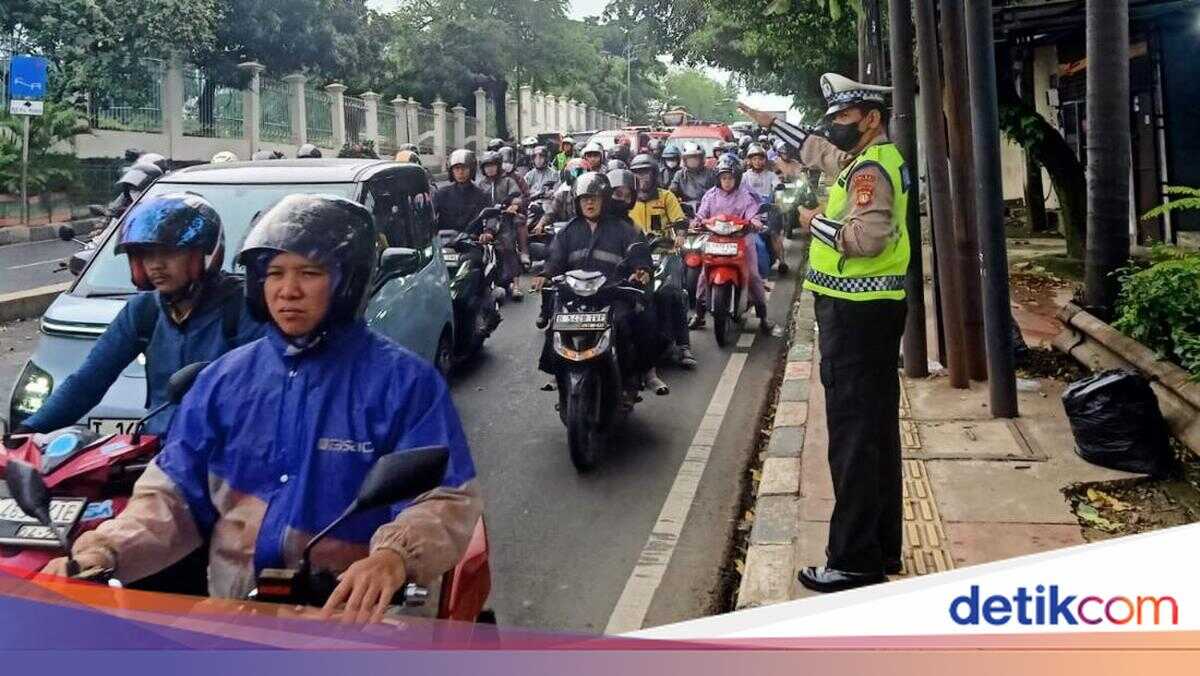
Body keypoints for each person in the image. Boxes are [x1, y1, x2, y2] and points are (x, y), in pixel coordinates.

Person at [44, 195, 482, 624]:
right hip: (235, 618)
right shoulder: (223, 381)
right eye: (274, 273)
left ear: (347, 281)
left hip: (353, 618)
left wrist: (393, 555)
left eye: (309, 273)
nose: (288, 291)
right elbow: (172, 496)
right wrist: (105, 549)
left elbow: (444, 497)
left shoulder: (404, 384)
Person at [740, 73, 910, 593]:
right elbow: (817, 152)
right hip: (872, 315)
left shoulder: (870, 172)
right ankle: (882, 546)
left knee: (854, 439)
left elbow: (867, 237)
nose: (834, 127)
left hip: (857, 317)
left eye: (842, 118)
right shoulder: (869, 159)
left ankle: (855, 560)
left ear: (871, 119)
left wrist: (814, 221)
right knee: (876, 433)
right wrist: (775, 124)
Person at [15, 195, 265, 436]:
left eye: (169, 253)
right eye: (146, 255)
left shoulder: (243, 308)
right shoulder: (144, 310)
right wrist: (29, 431)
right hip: (159, 452)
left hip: (227, 455)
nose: (155, 265)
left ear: (201, 254)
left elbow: (261, 397)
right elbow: (88, 382)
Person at [533, 173, 658, 405]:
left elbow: (638, 252)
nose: (589, 203)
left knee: (624, 324)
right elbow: (555, 258)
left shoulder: (623, 228)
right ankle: (558, 373)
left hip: (611, 293)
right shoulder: (569, 230)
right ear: (578, 203)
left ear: (605, 200)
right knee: (557, 321)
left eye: (595, 198)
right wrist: (545, 275)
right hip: (575, 294)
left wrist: (641, 270)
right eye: (584, 199)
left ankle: (629, 381)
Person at [688, 155, 775, 335]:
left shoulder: (745, 195)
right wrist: (696, 221)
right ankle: (699, 313)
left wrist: (755, 221)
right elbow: (701, 213)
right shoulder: (710, 195)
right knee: (704, 275)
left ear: (737, 178)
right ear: (718, 179)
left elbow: (753, 213)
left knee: (753, 275)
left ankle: (763, 316)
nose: (727, 182)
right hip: (715, 240)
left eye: (730, 178)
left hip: (742, 239)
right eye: (723, 178)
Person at [628, 153, 697, 371]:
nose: (642, 178)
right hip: (636, 257)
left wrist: (679, 234)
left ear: (654, 174)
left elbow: (679, 221)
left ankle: (684, 346)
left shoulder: (666, 197)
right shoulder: (627, 201)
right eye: (637, 173)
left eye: (646, 172)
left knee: (671, 293)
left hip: (665, 253)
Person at [476, 151, 527, 299]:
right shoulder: (481, 185)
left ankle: (516, 285)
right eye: (487, 166)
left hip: (504, 220)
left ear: (498, 166)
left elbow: (517, 196)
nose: (490, 169)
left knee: (508, 246)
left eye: (492, 165)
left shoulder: (507, 181)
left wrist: (514, 206)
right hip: (485, 222)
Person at [743, 143, 789, 276]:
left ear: (765, 160)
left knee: (774, 234)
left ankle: (782, 261)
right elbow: (739, 190)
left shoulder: (770, 175)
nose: (757, 161)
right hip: (750, 212)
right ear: (750, 161)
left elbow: (777, 185)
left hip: (769, 209)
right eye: (754, 159)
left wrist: (779, 188)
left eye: (760, 159)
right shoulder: (745, 176)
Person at [434, 149, 491, 235]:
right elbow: (429, 217)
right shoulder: (441, 193)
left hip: (472, 242)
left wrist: (488, 232)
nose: (460, 172)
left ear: (472, 169)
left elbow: (490, 217)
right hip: (445, 242)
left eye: (464, 168)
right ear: (451, 171)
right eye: (457, 168)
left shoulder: (482, 195)